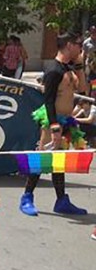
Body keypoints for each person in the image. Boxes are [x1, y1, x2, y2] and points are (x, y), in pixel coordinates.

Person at [20, 31, 88, 216]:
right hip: (53, 121)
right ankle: (27, 197)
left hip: (67, 121)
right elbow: (48, 100)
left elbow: (82, 89)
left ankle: (61, 200)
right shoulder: (54, 70)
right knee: (41, 159)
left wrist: (80, 67)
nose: (80, 47)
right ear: (68, 45)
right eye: (77, 44)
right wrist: (54, 126)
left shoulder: (68, 69)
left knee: (59, 161)